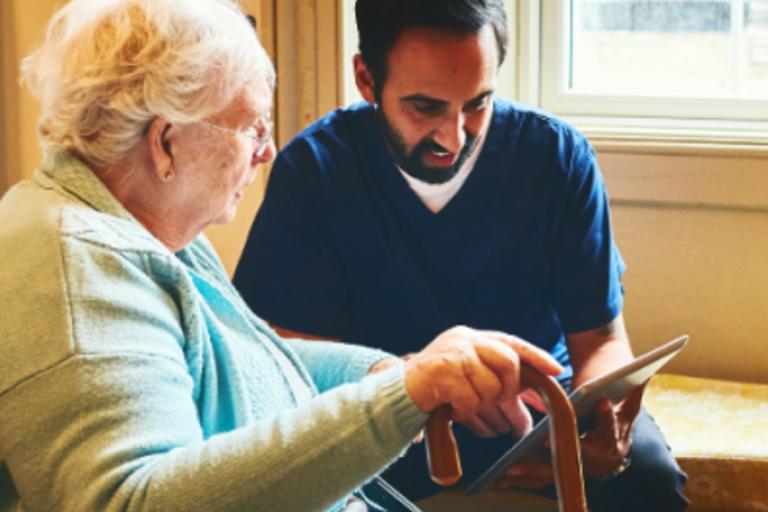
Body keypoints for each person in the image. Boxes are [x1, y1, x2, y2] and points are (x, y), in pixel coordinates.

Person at [0, 1, 565, 511]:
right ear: (166, 141)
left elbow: (247, 358)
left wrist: (394, 375)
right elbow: (134, 501)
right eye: (251, 128)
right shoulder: (78, 271)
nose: (268, 152)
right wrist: (404, 397)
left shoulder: (141, 226)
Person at [232, 0, 689, 510]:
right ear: (365, 78)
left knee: (649, 477)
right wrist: (418, 384)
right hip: (393, 419)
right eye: (425, 107)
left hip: (538, 417)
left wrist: (604, 417)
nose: (454, 137)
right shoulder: (315, 171)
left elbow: (601, 338)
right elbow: (284, 356)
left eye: (478, 103)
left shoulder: (558, 158)